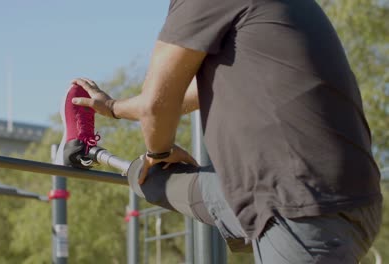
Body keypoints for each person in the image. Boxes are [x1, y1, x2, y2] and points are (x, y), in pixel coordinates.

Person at [63, 0, 382, 262]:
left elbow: (156, 107)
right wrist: (114, 108)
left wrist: (158, 150)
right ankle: (88, 152)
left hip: (299, 205)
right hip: (347, 197)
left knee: (157, 163)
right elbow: (172, 97)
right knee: (156, 177)